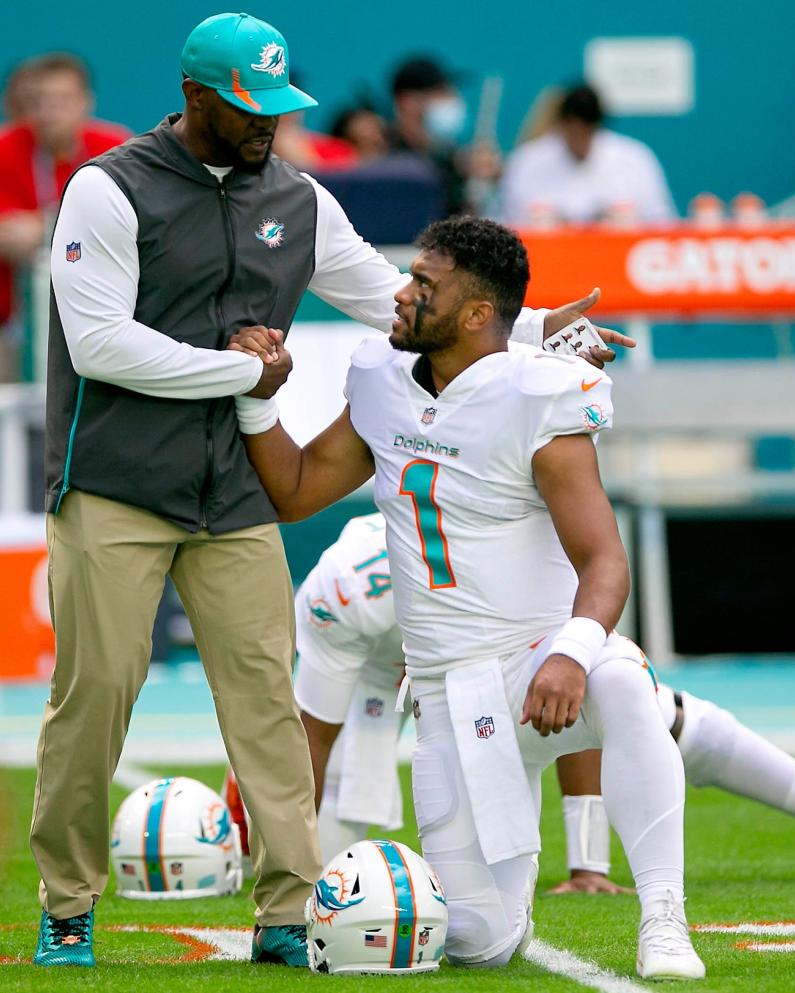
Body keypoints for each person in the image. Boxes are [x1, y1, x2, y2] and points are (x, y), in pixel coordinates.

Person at [35, 11, 632, 970]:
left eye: (280, 103)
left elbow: (396, 296)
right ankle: (67, 902)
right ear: (195, 99)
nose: (271, 121)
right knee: (97, 694)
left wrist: (531, 334)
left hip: (230, 491)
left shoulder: (300, 197)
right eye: (249, 106)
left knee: (268, 698)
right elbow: (99, 342)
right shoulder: (108, 191)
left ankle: (282, 902)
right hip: (117, 481)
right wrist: (240, 374)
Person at [232, 216, 706, 980]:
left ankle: (664, 918)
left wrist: (571, 650)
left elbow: (605, 559)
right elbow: (294, 490)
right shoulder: (382, 377)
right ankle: (503, 895)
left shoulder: (540, 393)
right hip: (451, 699)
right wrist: (260, 398)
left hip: (536, 667)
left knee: (625, 679)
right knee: (479, 942)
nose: (402, 292)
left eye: (425, 284)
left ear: (478, 313)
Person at [266, 511, 795, 888]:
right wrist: (286, 864)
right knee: (340, 857)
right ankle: (251, 836)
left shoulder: (521, 555)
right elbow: (313, 734)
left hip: (497, 677)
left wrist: (588, 862)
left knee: (661, 713)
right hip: (404, 694)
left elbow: (575, 700)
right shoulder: (341, 595)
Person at [0, 53, 129, 380]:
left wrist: (42, 227)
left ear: (86, 102)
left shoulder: (119, 148)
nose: (50, 111)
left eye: (63, 100)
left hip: (102, 318)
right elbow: (10, 238)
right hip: (14, 324)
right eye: (40, 101)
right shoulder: (7, 148)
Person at [500, 83, 675, 227]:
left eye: (586, 132)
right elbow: (508, 222)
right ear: (561, 125)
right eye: (572, 131)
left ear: (597, 126)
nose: (579, 140)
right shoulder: (528, 161)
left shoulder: (635, 158)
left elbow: (662, 222)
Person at [387, 55, 500, 216]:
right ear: (407, 101)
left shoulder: (448, 154)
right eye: (441, 93)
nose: (452, 99)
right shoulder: (382, 149)